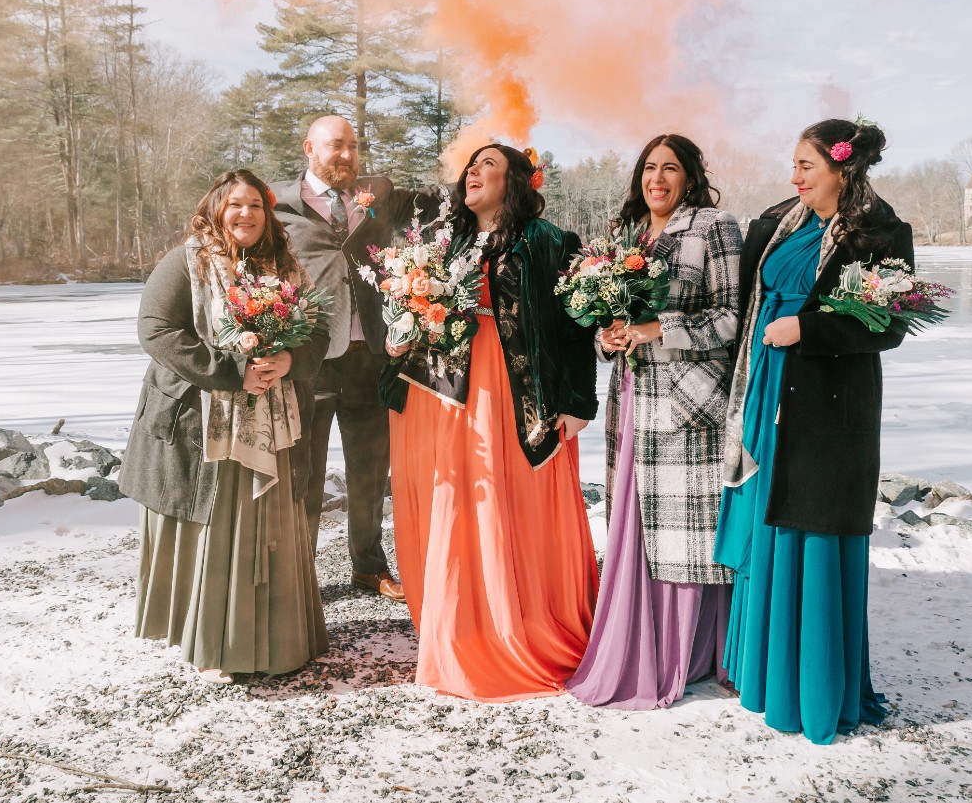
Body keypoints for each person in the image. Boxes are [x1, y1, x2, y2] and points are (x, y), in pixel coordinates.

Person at [713, 118, 914, 743]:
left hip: (830, 408)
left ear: (841, 168)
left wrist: (809, 330)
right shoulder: (781, 222)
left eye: (806, 165)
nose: (793, 175)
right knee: (768, 517)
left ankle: (814, 690)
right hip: (765, 387)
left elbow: (889, 325)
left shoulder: (881, 233)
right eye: (793, 163)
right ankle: (765, 677)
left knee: (815, 526)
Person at [383, 144, 599, 701]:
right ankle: (459, 629)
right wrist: (401, 335)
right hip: (447, 397)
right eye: (471, 166)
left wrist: (577, 402)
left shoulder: (549, 241)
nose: (473, 172)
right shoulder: (444, 240)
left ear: (516, 182)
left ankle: (519, 628)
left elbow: (575, 327)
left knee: (510, 504)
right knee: (457, 506)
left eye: (489, 166)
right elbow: (417, 308)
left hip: (514, 391)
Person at [120, 169, 329, 683]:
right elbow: (156, 329)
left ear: (268, 212)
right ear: (216, 208)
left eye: (256, 205)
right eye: (235, 204)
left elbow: (319, 329)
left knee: (270, 527)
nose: (246, 214)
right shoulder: (187, 261)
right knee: (217, 526)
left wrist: (289, 360)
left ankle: (282, 640)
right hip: (205, 429)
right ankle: (213, 640)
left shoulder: (285, 267)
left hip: (273, 425)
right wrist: (233, 371)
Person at [566, 134, 743, 709]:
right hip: (632, 396)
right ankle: (636, 644)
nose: (657, 178)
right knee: (635, 525)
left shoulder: (713, 226)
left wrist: (657, 329)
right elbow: (606, 318)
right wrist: (609, 335)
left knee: (682, 533)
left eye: (670, 169)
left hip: (689, 402)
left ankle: (686, 654)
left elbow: (730, 320)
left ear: (691, 175)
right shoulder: (626, 236)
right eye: (649, 168)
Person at [270, 115, 437, 602]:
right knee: (307, 472)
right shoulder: (277, 203)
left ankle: (368, 566)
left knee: (370, 471)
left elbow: (441, 197)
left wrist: (492, 164)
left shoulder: (379, 193)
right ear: (308, 148)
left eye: (353, 146)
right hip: (311, 359)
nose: (346, 155)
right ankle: (301, 572)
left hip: (373, 357)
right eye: (335, 145)